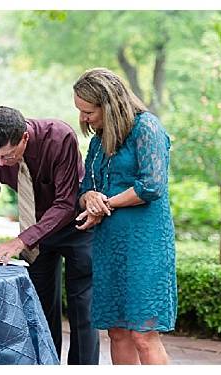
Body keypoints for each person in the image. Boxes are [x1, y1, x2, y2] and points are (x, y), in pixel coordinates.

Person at [0, 106, 100, 365]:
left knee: (84, 314)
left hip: (77, 228)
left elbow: (65, 204)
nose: (1, 163)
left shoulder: (60, 137)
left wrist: (20, 240)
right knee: (38, 311)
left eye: (8, 155)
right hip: (36, 233)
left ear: (24, 138)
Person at [73, 67, 177, 365]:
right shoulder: (98, 141)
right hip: (110, 245)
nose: (83, 119)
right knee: (117, 332)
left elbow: (151, 186)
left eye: (88, 111)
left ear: (109, 104)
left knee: (143, 334)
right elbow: (85, 189)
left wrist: (106, 204)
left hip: (146, 245)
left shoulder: (147, 128)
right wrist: (90, 199)